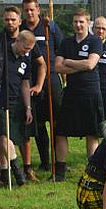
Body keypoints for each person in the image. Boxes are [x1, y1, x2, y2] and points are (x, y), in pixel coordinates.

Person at [53, 8, 103, 182]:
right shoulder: (66, 42)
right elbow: (57, 67)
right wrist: (79, 65)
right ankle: (60, 172)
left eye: (81, 21)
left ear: (88, 23)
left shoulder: (95, 41)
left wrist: (69, 62)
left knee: (92, 133)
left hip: (90, 92)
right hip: (71, 92)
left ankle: (93, 171)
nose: (78, 25)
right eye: (75, 21)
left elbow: (90, 65)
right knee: (61, 132)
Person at [4, 6, 45, 182]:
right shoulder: (2, 42)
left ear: (20, 21)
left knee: (24, 134)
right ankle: (7, 173)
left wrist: (39, 85)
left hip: (21, 97)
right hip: (4, 97)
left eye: (13, 19)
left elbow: (41, 64)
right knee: (4, 135)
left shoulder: (29, 43)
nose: (10, 23)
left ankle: (27, 169)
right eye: (7, 19)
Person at [22, 0, 61, 174]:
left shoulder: (50, 27)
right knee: (38, 124)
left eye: (32, 9)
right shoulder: (21, 28)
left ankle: (58, 161)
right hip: (29, 80)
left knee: (56, 122)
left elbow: (60, 50)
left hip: (51, 79)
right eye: (26, 10)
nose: (29, 13)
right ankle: (45, 161)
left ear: (38, 9)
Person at [0, 30, 36, 187]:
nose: (27, 52)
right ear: (18, 41)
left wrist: (28, 107)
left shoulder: (25, 60)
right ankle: (18, 174)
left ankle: (4, 174)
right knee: (3, 136)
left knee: (7, 138)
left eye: (30, 49)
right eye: (26, 48)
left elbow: (25, 84)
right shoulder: (3, 53)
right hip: (2, 101)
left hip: (16, 102)